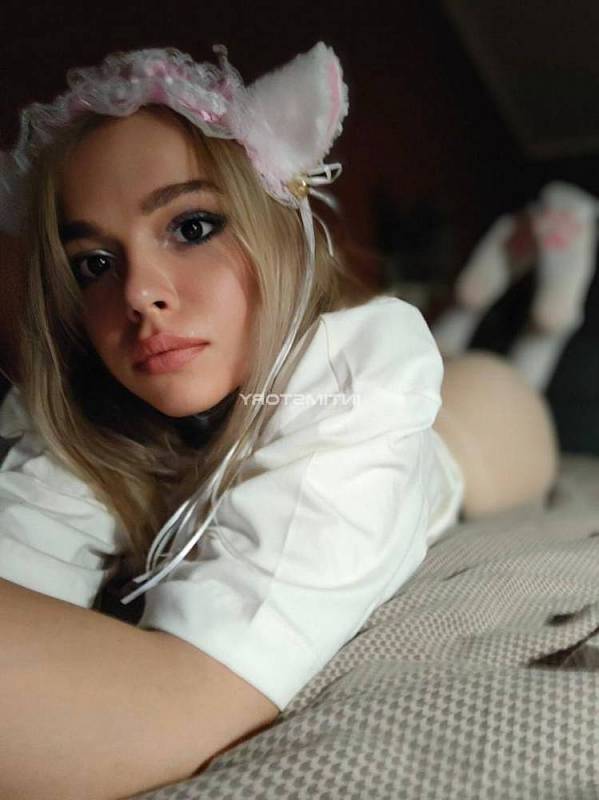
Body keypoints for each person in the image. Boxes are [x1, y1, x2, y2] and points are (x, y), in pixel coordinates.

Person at [0, 43, 558, 798]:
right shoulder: (82, 413)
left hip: (479, 428)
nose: (137, 294)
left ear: (275, 226)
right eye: (94, 263)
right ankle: (463, 307)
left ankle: (531, 316)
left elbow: (187, 702)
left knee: (504, 371)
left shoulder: (357, 376)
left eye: (191, 227)